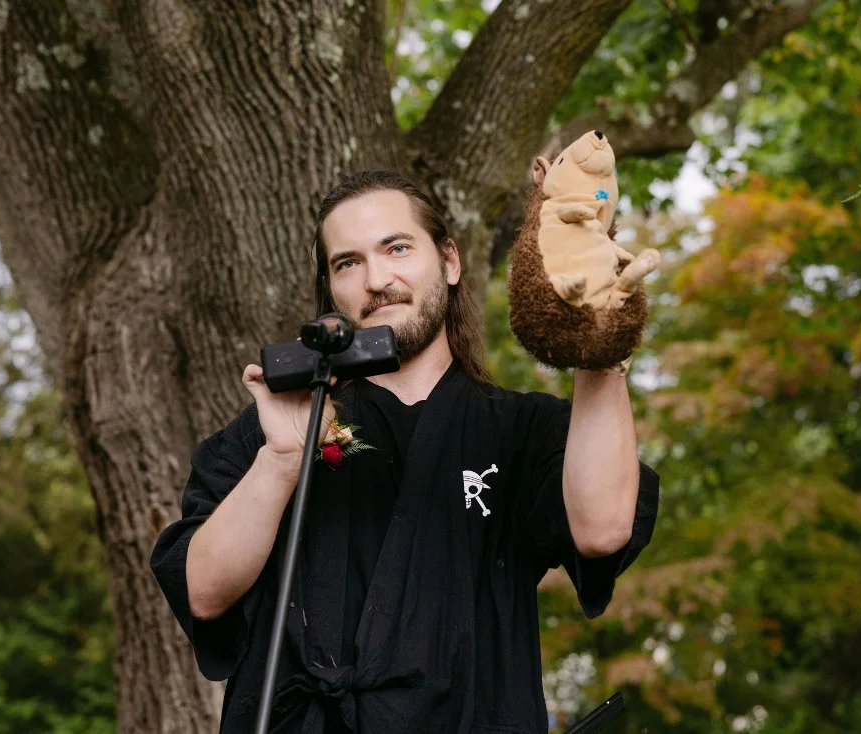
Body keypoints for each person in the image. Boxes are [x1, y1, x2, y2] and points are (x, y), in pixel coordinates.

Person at [150, 170, 660, 734]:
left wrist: (599, 346)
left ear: (449, 262)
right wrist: (280, 460)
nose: (377, 279)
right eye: (348, 262)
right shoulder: (281, 421)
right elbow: (202, 592)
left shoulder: (521, 428)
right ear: (331, 291)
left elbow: (603, 528)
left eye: (396, 248)